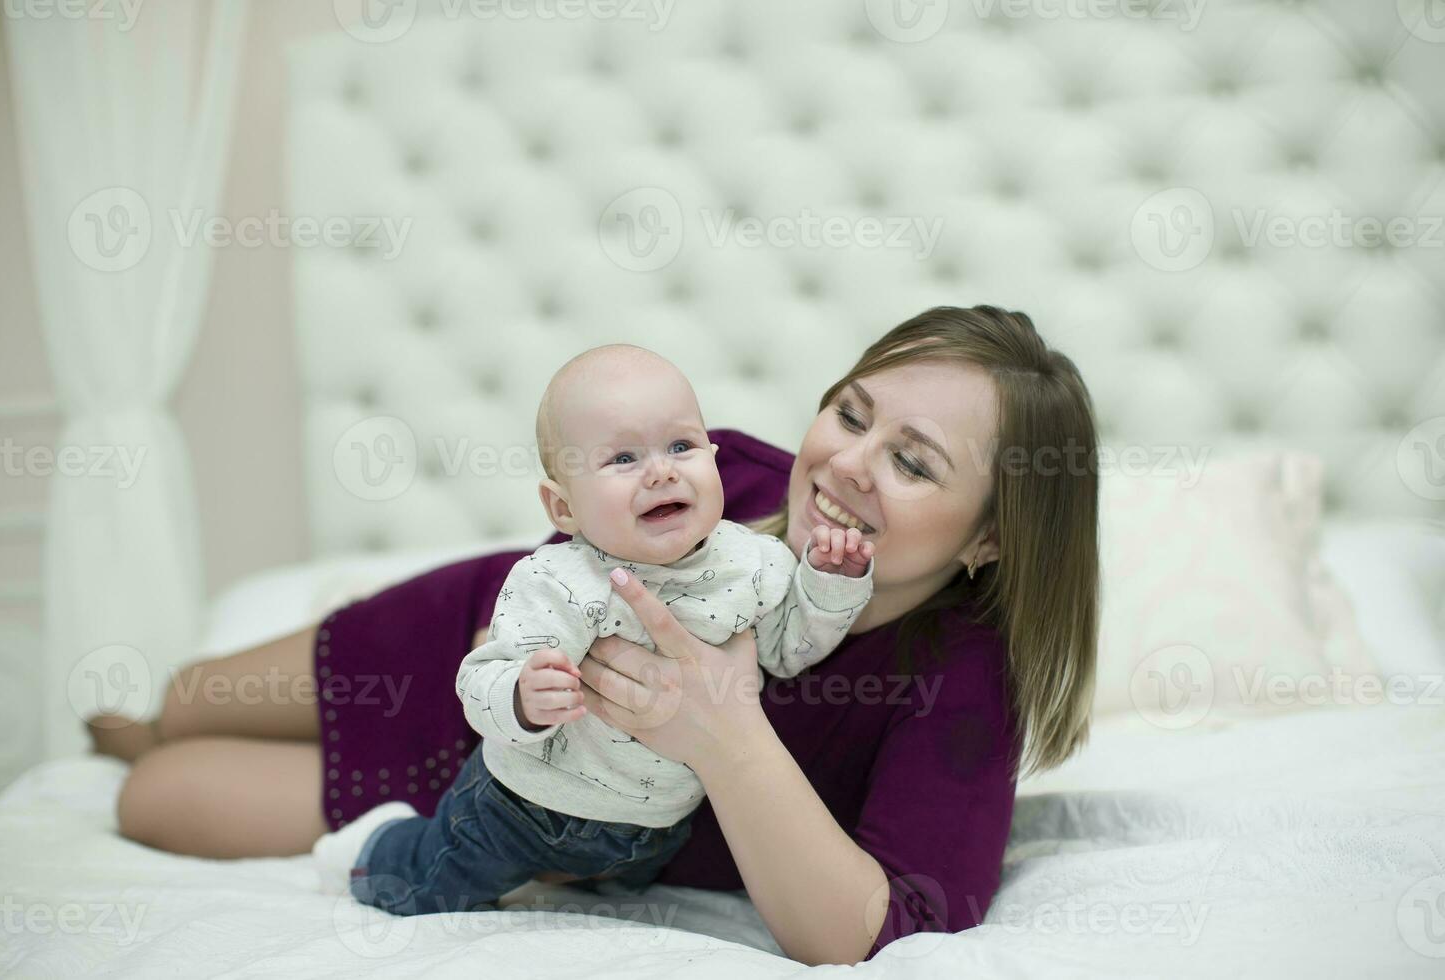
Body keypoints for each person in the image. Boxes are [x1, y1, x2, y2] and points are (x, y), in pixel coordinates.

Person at [97, 305, 1099, 966]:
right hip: (464, 647)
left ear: (992, 536)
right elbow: (557, 565)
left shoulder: (962, 684)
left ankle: (154, 752)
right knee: (184, 702)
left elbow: (887, 928)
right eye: (849, 412)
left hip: (504, 801)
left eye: (914, 464)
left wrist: (723, 729)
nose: (843, 463)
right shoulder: (730, 478)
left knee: (157, 797)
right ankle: (146, 724)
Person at [312, 344, 877, 909]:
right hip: (521, 803)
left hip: (656, 827)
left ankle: (598, 877)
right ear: (563, 510)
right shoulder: (557, 580)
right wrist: (522, 696)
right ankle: (377, 842)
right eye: (622, 459)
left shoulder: (756, 563)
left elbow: (789, 650)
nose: (662, 471)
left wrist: (830, 581)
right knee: (428, 885)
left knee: (622, 895)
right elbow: (480, 677)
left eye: (681, 446)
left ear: (713, 456)